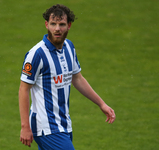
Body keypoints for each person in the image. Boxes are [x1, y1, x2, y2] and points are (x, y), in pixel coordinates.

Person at [19, 4, 116, 150]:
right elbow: (23, 89)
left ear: (69, 25)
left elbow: (77, 78)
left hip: (64, 124)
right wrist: (25, 126)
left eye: (62, 24)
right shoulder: (36, 54)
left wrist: (101, 104)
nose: (57, 28)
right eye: (53, 24)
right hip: (46, 127)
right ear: (47, 24)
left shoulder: (69, 47)